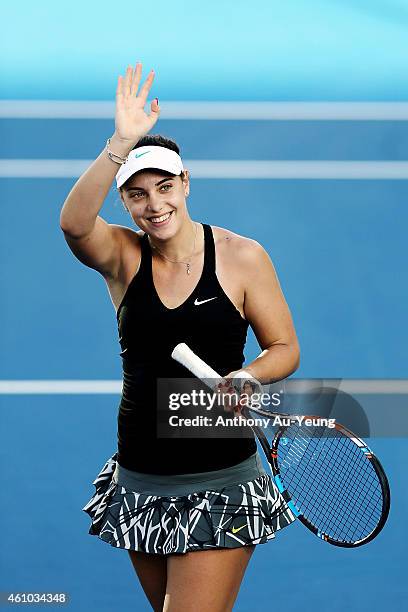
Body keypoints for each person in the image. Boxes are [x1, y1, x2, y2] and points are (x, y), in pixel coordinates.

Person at [60, 62, 300, 612]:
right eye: (137, 194)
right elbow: (74, 224)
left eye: (165, 187)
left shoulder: (242, 257)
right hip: (139, 477)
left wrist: (246, 376)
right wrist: (119, 144)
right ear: (124, 201)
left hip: (220, 478)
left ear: (186, 184)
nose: (155, 204)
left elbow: (284, 348)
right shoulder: (121, 257)